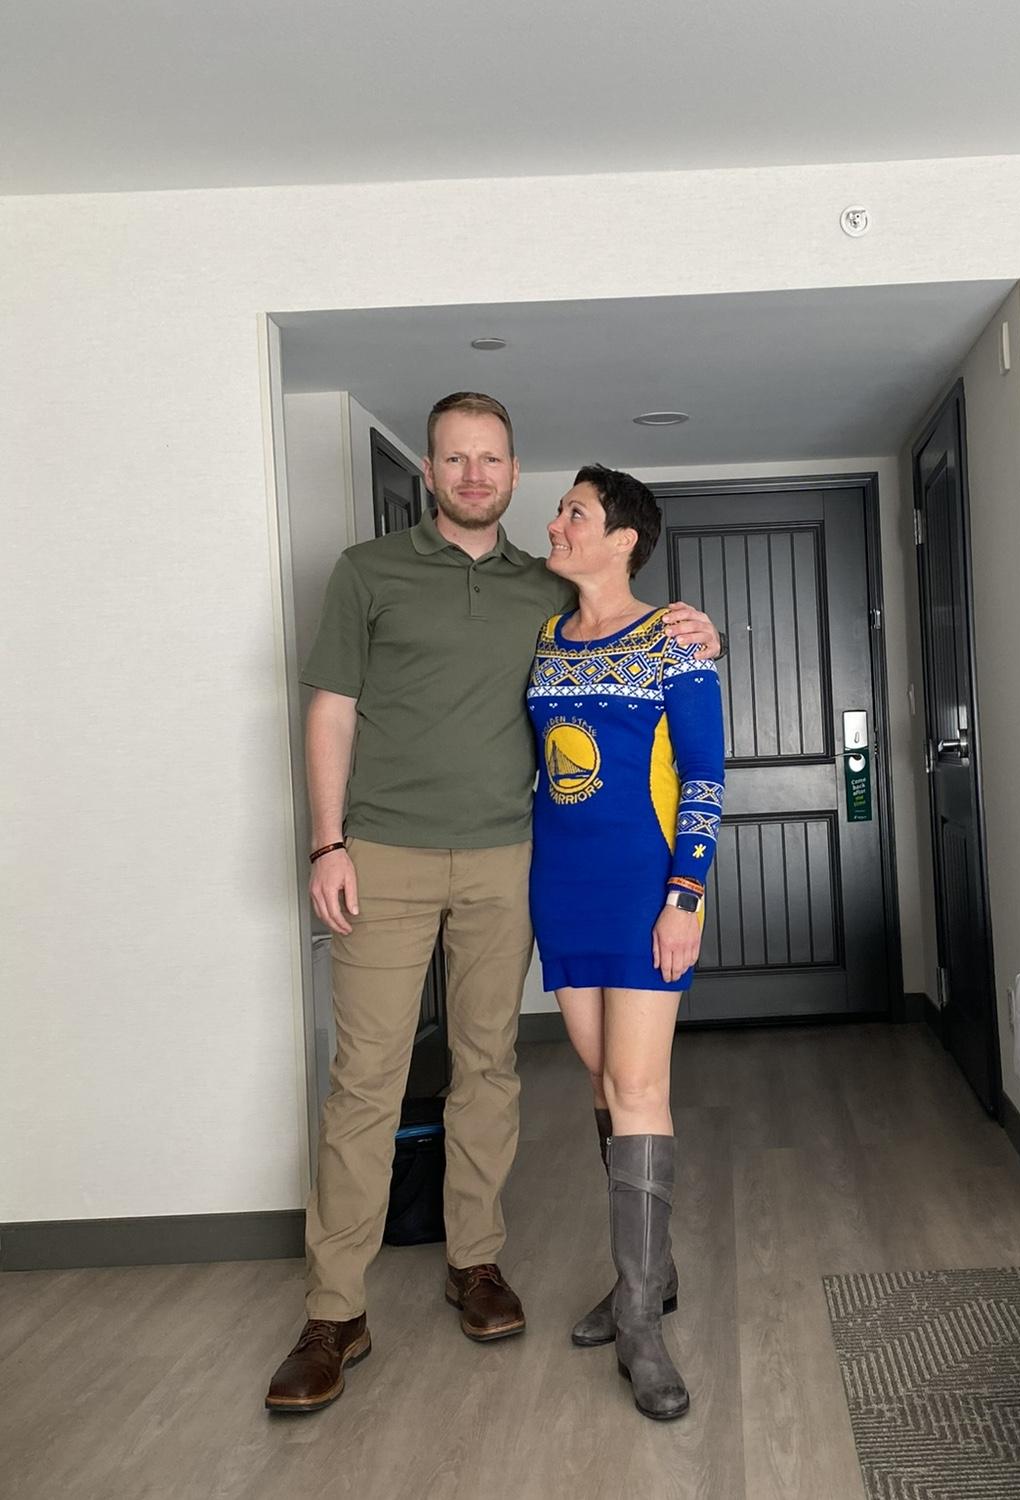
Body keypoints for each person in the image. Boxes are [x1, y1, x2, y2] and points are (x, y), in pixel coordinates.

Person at [264, 395, 719, 1414]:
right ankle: (334, 1313)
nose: (476, 476)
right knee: (365, 1080)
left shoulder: (545, 591)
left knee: (490, 1068)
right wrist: (327, 842)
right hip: (386, 852)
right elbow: (331, 709)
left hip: (510, 861)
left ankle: (477, 1264)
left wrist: (701, 635)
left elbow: (648, 652)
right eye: (456, 459)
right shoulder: (367, 572)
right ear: (430, 471)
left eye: (494, 460)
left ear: (512, 472)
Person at [527, 465, 724, 1420]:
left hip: (646, 889)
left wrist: (685, 897)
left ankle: (641, 1323)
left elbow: (705, 778)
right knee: (605, 1082)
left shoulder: (675, 642)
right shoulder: (543, 637)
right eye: (561, 509)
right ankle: (653, 1271)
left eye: (576, 513)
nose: (556, 524)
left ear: (623, 541)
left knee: (641, 1087)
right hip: (561, 889)